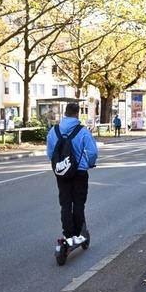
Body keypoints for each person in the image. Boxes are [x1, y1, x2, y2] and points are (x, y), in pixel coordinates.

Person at [47, 103, 98, 247]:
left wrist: (59, 166)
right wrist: (89, 163)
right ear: (77, 114)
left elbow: (50, 153)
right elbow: (93, 152)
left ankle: (67, 234)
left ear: (65, 113)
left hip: (62, 173)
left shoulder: (53, 131)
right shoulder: (83, 131)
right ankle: (77, 234)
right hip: (80, 172)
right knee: (79, 203)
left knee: (65, 204)